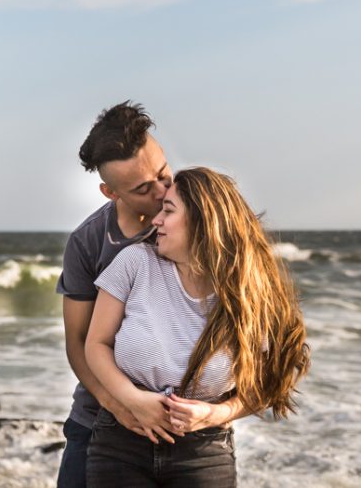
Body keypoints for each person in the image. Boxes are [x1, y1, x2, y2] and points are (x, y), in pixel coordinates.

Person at [84, 167, 311, 487]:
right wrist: (132, 399)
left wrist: (213, 415)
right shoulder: (134, 262)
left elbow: (266, 384)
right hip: (121, 444)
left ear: (203, 221)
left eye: (168, 211)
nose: (156, 220)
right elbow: (96, 345)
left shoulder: (249, 293)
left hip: (204, 453)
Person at [56, 103, 242, 488]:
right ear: (111, 192)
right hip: (100, 419)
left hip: (188, 435)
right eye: (143, 189)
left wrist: (216, 410)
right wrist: (121, 407)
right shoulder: (89, 243)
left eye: (162, 174)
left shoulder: (196, 223)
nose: (161, 193)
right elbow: (79, 343)